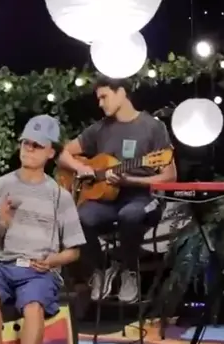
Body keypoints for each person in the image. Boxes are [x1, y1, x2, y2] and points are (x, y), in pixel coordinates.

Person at [0, 115, 86, 344]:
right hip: (0, 264)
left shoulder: (60, 196)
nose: (29, 149)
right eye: (26, 143)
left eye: (37, 145)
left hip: (38, 269)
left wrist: (52, 261)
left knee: (34, 304)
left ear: (51, 153)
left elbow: (74, 250)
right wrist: (2, 224)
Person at [58, 77, 176, 304]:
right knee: (78, 216)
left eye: (104, 97)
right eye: (98, 98)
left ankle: (129, 271)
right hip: (106, 199)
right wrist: (81, 168)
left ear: (121, 92)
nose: (100, 103)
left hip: (141, 197)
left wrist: (131, 180)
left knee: (129, 215)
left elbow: (170, 176)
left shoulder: (153, 127)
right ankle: (101, 270)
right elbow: (63, 153)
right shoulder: (100, 128)